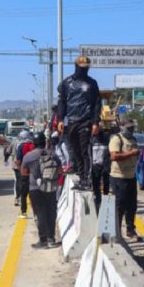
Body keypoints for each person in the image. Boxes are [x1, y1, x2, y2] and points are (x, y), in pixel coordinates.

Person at [56, 55, 101, 190]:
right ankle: (80, 175)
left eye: (86, 68)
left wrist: (95, 122)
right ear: (76, 66)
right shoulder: (66, 83)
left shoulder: (92, 83)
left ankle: (86, 180)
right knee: (74, 151)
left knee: (84, 151)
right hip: (71, 121)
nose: (84, 70)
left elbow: (96, 104)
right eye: (82, 68)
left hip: (86, 122)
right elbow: (62, 102)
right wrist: (60, 119)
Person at [21, 132, 62, 249]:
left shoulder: (28, 156)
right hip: (51, 187)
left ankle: (43, 240)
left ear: (33, 143)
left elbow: (23, 173)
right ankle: (51, 239)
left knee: (40, 214)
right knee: (51, 212)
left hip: (35, 188)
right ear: (45, 142)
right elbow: (59, 171)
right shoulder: (53, 154)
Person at [109, 119, 141, 241]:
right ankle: (116, 232)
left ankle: (130, 230)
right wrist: (131, 153)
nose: (131, 130)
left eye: (132, 128)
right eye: (129, 128)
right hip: (119, 177)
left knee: (131, 205)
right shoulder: (116, 139)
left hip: (131, 177)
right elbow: (114, 156)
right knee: (120, 205)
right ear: (122, 127)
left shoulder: (133, 140)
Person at [14, 130, 35, 218]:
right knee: (34, 193)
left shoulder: (21, 146)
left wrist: (20, 170)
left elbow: (18, 160)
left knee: (23, 193)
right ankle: (35, 213)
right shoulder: (34, 145)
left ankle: (23, 212)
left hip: (24, 173)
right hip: (34, 172)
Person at [90, 128, 110, 212]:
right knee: (96, 185)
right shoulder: (92, 140)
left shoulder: (106, 140)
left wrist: (107, 165)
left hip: (104, 165)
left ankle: (105, 198)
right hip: (95, 166)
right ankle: (98, 201)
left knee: (106, 183)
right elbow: (89, 153)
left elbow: (108, 154)